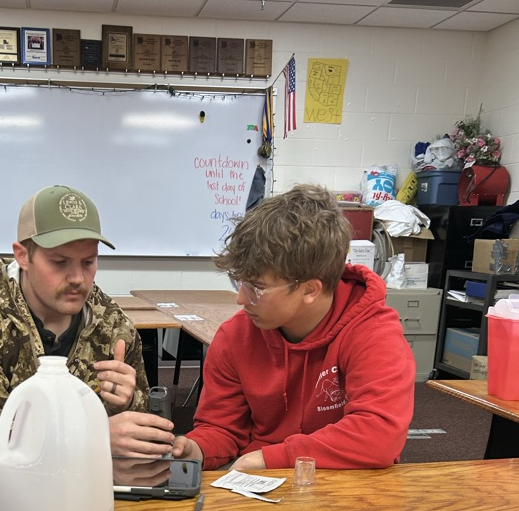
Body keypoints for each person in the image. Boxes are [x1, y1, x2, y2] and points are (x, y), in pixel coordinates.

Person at [172, 184, 416, 470]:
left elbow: (378, 436)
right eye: (239, 283)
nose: (240, 299)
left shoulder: (373, 334)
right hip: (259, 480)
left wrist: (271, 457)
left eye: (256, 288)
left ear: (310, 289)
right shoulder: (234, 337)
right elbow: (222, 429)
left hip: (346, 482)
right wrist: (197, 449)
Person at [0, 184, 174, 460]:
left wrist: (127, 403)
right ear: (23, 256)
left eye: (88, 262)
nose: (77, 279)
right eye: (60, 262)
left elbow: (138, 432)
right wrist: (94, 438)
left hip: (88, 481)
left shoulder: (113, 326)